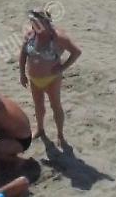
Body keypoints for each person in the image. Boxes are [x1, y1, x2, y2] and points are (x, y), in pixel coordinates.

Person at [19, 9, 81, 145]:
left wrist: (62, 67)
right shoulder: (30, 34)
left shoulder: (59, 38)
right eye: (32, 23)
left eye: (37, 23)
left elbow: (76, 52)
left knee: (55, 106)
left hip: (51, 79)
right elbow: (23, 53)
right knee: (38, 106)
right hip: (34, 78)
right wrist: (22, 74)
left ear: (46, 23)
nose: (34, 26)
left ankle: (60, 134)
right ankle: (40, 129)